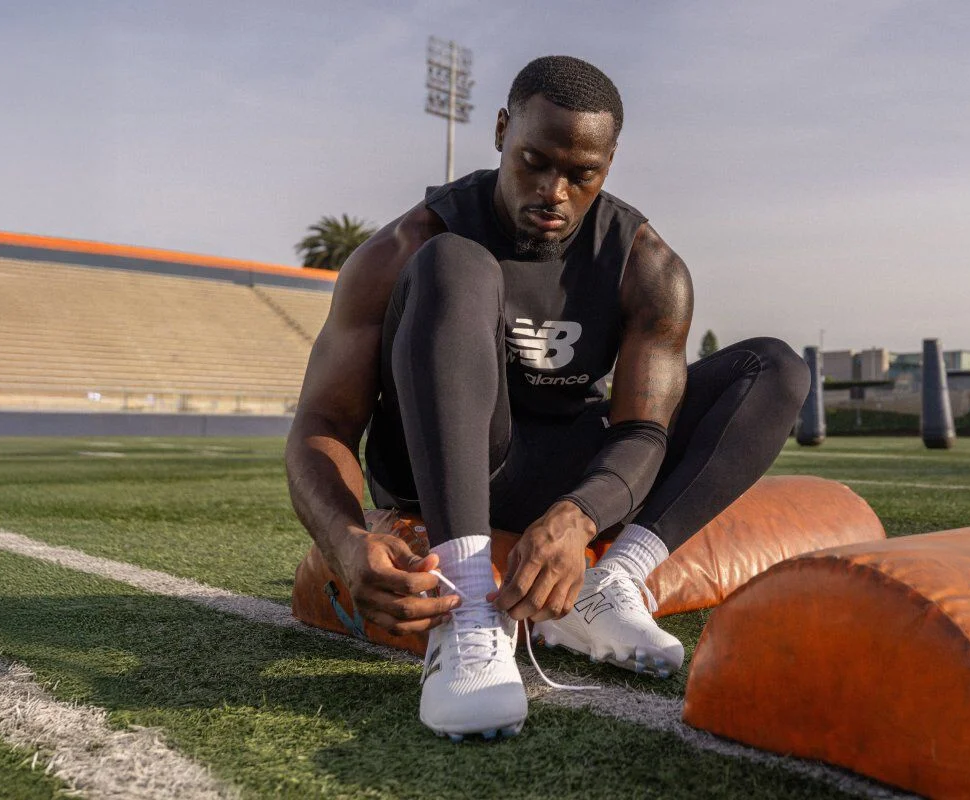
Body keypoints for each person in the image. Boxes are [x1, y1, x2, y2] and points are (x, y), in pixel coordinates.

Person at [285, 55, 809, 741]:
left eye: (581, 174)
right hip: (447, 465)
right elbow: (321, 423)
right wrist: (344, 539)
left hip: (564, 464)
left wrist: (579, 519)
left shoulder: (646, 265)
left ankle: (612, 581)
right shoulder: (406, 245)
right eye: (534, 160)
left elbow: (645, 430)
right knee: (454, 264)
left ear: (608, 166)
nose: (554, 190)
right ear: (502, 131)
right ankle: (470, 609)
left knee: (771, 367)